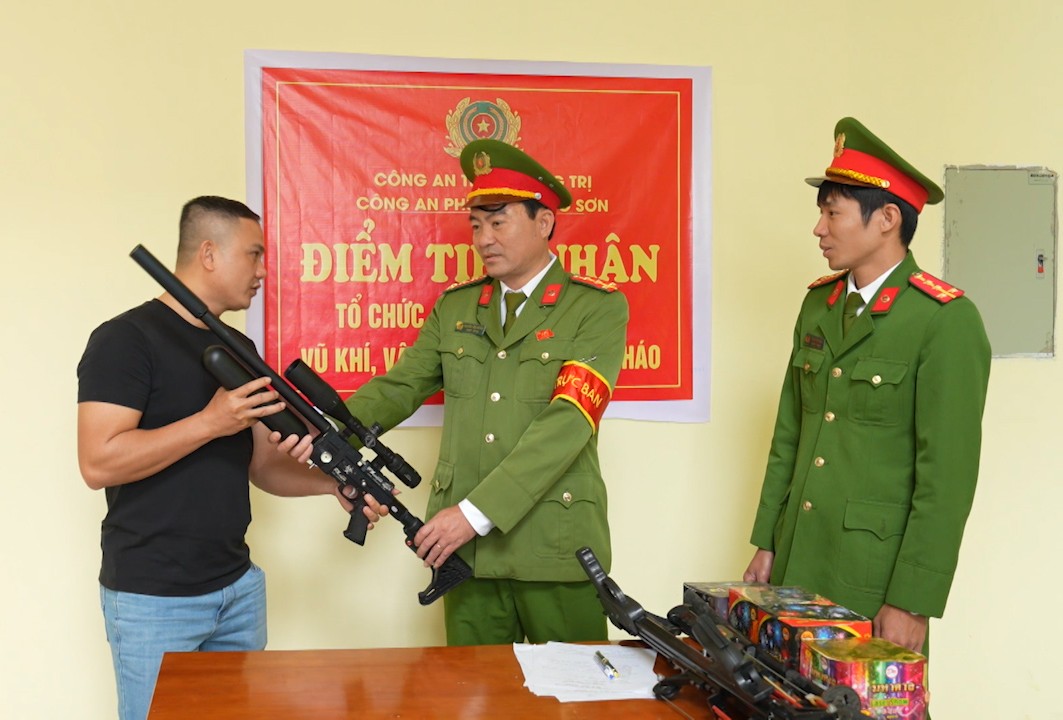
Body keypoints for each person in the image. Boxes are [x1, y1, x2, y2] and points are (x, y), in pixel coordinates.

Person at [77, 196, 384, 720]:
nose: (264, 271)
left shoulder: (240, 348)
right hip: (154, 600)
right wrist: (210, 422)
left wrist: (333, 484)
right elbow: (98, 463)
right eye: (254, 254)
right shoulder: (124, 340)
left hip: (237, 591)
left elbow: (262, 465)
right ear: (209, 254)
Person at [340, 139, 629, 645]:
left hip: (553, 547)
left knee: (573, 690)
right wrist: (321, 427)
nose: (483, 239)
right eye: (476, 225)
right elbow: (400, 387)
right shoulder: (456, 308)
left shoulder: (595, 307)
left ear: (544, 222)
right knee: (472, 689)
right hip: (465, 558)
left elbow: (568, 423)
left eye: (498, 222)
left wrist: (473, 516)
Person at [743, 117, 991, 655]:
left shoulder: (944, 320)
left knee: (867, 699)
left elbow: (946, 480)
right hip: (796, 561)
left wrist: (912, 600)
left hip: (873, 581)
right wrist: (767, 541)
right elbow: (789, 432)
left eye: (833, 213)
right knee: (783, 693)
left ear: (886, 219)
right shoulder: (818, 305)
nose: (819, 228)